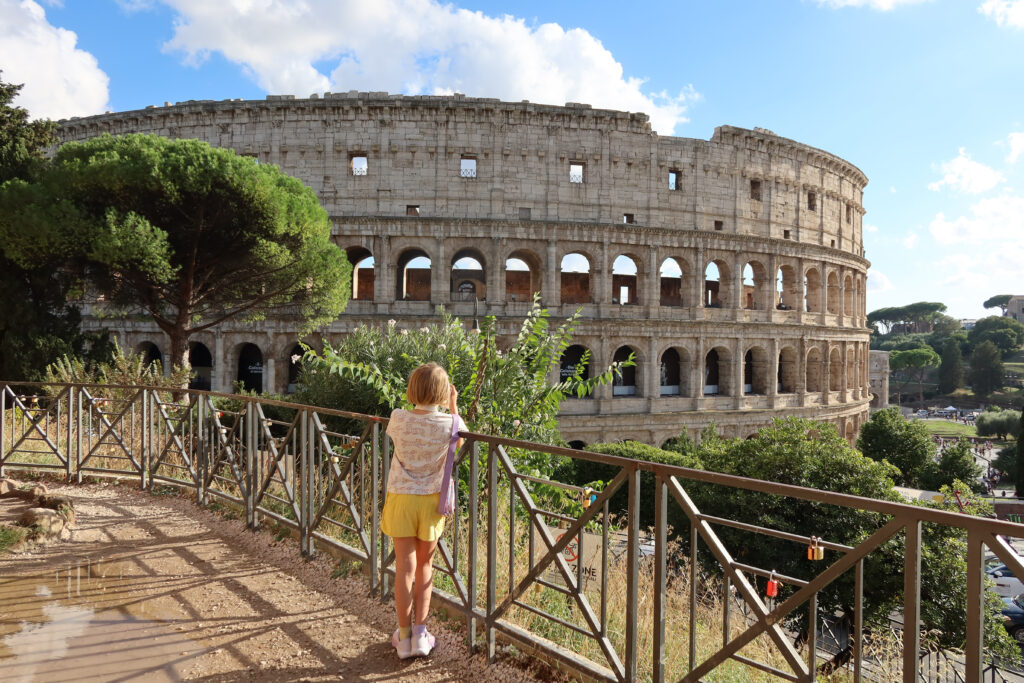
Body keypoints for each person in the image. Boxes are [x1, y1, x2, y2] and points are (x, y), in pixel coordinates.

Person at [381, 363, 466, 659]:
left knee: (404, 569)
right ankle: (420, 635)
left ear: (412, 389)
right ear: (444, 392)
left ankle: (403, 637)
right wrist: (453, 406)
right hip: (430, 502)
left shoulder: (398, 418)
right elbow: (461, 438)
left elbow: (396, 433)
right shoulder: (450, 423)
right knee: (425, 567)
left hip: (401, 498)